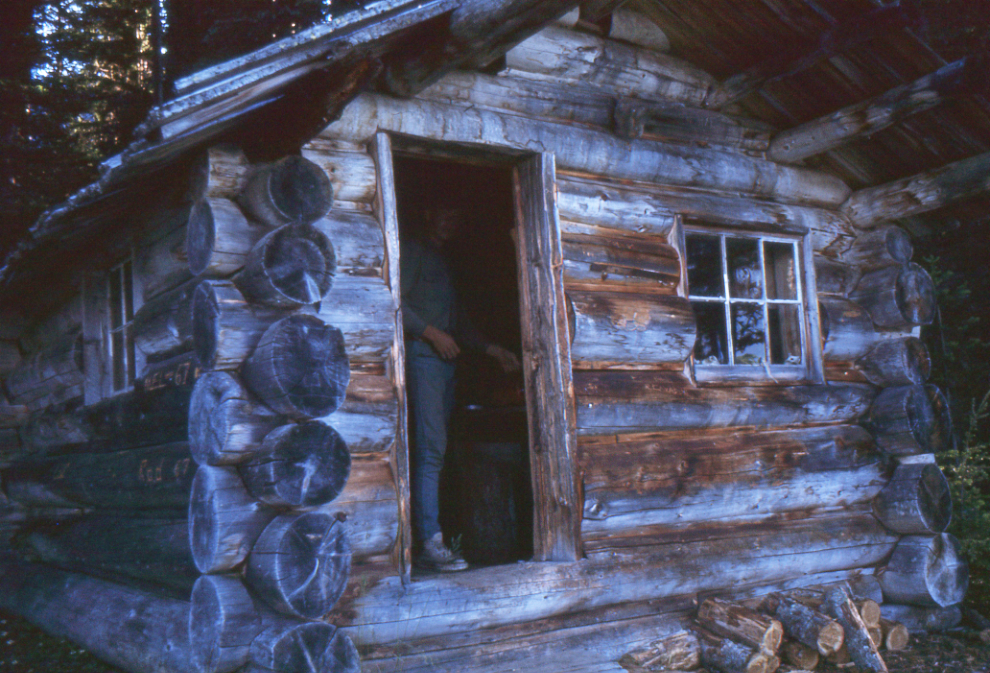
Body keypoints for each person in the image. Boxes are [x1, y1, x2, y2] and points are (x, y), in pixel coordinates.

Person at [400, 207, 520, 572]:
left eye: (455, 217)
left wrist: (492, 349)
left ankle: (442, 535)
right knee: (431, 450)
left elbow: (459, 323)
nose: (450, 221)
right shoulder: (414, 251)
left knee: (442, 449)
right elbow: (394, 301)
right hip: (423, 361)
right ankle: (429, 544)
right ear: (427, 217)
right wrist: (431, 334)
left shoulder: (443, 261)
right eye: (444, 214)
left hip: (446, 366)